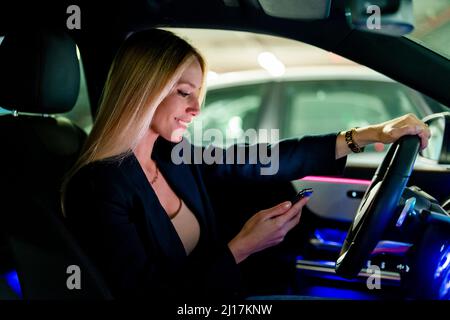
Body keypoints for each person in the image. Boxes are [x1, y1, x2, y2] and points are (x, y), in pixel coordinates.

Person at [61, 28, 431, 300]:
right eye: (184, 93)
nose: (196, 109)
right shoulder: (98, 187)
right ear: (144, 92)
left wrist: (367, 135)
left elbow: (259, 160)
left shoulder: (171, 154)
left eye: (198, 95)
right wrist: (241, 248)